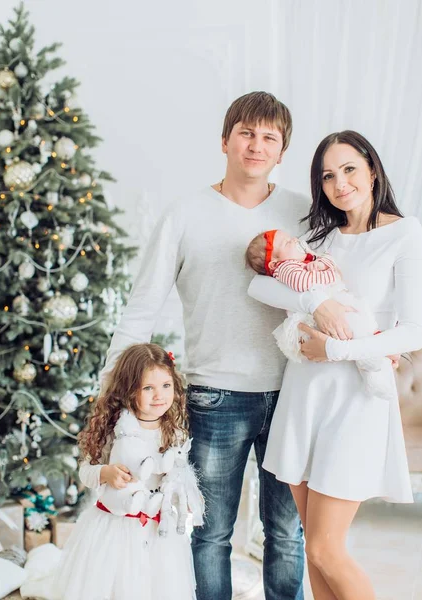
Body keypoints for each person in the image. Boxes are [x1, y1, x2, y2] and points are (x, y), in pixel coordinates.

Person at [100, 91, 310, 600]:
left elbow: (335, 287)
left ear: (282, 152)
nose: (256, 146)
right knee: (209, 533)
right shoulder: (186, 213)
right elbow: (142, 306)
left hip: (296, 394)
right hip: (215, 396)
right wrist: (110, 386)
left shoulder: (302, 213)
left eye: (269, 138)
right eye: (246, 133)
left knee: (287, 533)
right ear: (224, 140)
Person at [248, 130, 422, 600]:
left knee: (326, 549)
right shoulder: (318, 237)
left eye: (348, 169)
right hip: (305, 396)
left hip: (355, 401)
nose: (339, 183)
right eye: (327, 175)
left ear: (371, 168)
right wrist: (317, 301)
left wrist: (337, 350)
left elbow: (414, 330)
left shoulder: (405, 233)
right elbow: (259, 287)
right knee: (314, 552)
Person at [23, 343, 198, 600]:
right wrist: (105, 473)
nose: (159, 395)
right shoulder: (116, 428)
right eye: (148, 388)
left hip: (156, 530)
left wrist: (183, 497)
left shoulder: (175, 431)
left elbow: (177, 477)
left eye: (166, 386)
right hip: (113, 526)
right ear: (130, 390)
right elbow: (85, 471)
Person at [245, 228, 393, 401]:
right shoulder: (285, 268)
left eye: (290, 237)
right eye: (286, 242)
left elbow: (330, 262)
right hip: (315, 319)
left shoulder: (304, 257)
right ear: (274, 263)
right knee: (353, 326)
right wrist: (327, 274)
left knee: (361, 319)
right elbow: (304, 283)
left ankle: (373, 362)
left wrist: (322, 264)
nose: (294, 240)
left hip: (336, 305)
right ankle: (369, 363)